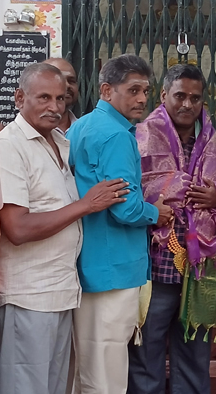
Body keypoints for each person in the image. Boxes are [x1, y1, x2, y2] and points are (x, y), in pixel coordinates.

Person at [0, 62, 130, 394]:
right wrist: (86, 205)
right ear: (19, 98)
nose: (55, 107)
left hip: (61, 292)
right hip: (29, 296)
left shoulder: (58, 142)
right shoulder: (9, 146)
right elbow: (17, 228)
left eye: (61, 98)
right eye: (44, 98)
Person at [129, 64, 216, 394]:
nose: (187, 104)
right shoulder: (140, 138)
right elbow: (131, 189)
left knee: (195, 352)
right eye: (180, 95)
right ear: (164, 95)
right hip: (155, 265)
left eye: (195, 98)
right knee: (146, 350)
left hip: (202, 268)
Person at [66, 54, 173, 394]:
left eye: (146, 91)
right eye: (133, 90)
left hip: (87, 262)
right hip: (115, 268)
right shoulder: (116, 136)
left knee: (83, 366)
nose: (142, 99)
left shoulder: (80, 126)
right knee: (107, 370)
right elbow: (125, 209)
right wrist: (156, 213)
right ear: (106, 90)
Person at [43, 57, 79, 135]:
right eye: (59, 80)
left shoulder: (86, 129)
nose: (67, 85)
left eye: (71, 81)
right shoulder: (27, 131)